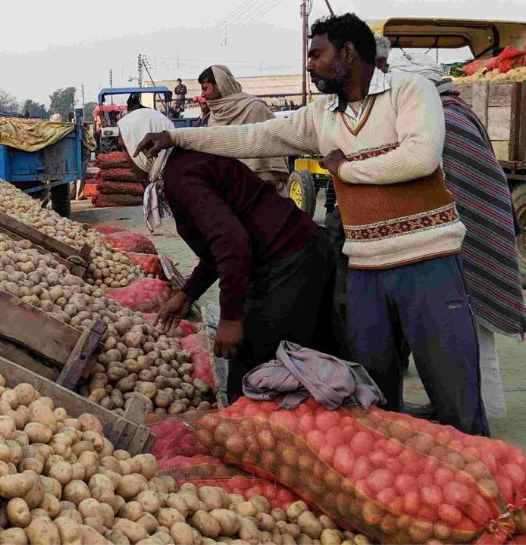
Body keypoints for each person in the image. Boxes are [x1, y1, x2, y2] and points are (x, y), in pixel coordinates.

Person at [136, 13, 488, 435]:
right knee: (375, 398)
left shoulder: (409, 91)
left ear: (349, 53)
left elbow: (420, 157)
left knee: (454, 391)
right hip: (365, 270)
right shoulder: (322, 115)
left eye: (316, 54)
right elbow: (254, 138)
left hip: (426, 262)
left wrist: (346, 169)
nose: (308, 64)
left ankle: (487, 487)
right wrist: (179, 138)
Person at [118, 108, 335, 402]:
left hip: (289, 261)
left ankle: (262, 435)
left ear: (143, 147)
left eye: (124, 148)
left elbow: (232, 243)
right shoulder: (184, 163)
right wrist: (187, 295)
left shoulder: (181, 176)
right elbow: (218, 246)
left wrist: (231, 319)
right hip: (297, 252)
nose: (124, 159)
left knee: (251, 375)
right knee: (302, 364)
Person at [389, 49, 526, 420]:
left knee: (472, 334)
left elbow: (464, 183)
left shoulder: (445, 118)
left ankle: (477, 414)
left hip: (471, 238)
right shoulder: (448, 110)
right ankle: (454, 405)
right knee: (451, 335)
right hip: (457, 237)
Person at [197, 65, 290, 195]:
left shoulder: (254, 108)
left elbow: (276, 142)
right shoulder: (214, 117)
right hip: (230, 189)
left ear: (220, 86)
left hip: (263, 187)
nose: (202, 94)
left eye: (205, 89)